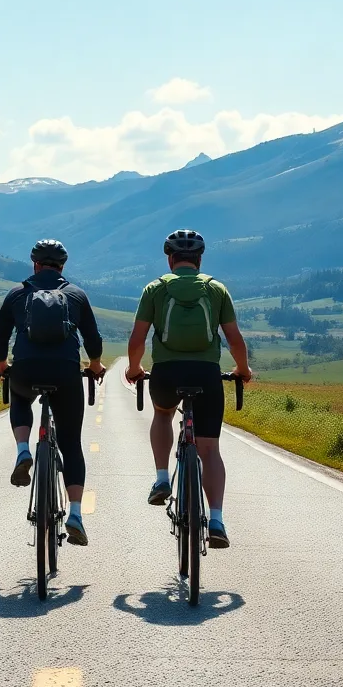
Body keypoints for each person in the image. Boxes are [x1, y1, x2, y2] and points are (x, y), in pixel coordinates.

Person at [125, 229, 252, 549]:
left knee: (163, 414)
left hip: (167, 373)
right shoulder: (216, 290)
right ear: (200, 259)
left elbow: (137, 339)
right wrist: (243, 370)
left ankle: (162, 478)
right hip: (207, 374)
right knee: (210, 449)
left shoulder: (154, 289)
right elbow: (235, 340)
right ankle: (218, 520)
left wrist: (134, 369)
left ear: (170, 258)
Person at [0, 239, 105, 546]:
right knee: (70, 442)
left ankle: (23, 451)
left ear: (35, 265)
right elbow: (93, 339)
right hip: (66, 372)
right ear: (62, 267)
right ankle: (77, 514)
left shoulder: (17, 293)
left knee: (20, 397)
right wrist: (94, 365)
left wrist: (3, 365)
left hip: (26, 369)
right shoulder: (76, 295)